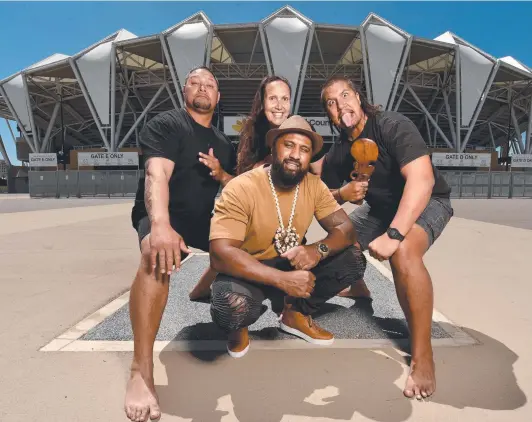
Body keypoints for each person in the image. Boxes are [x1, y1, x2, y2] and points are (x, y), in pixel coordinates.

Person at [313, 75, 453, 401]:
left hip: (427, 201)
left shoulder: (391, 124)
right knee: (338, 237)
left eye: (345, 95)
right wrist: (343, 192)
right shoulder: (340, 152)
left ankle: (422, 357)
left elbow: (422, 179)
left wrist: (393, 234)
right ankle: (356, 283)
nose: (341, 105)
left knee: (403, 254)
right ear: (330, 115)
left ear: (359, 98)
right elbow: (324, 197)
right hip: (380, 209)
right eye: (331, 103)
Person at [125, 66, 236, 422]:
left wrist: (223, 174)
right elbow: (157, 173)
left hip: (203, 222)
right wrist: (159, 224)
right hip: (164, 214)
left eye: (210, 84)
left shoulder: (223, 143)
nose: (203, 87)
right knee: (156, 258)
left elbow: (235, 187)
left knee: (251, 243)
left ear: (218, 98)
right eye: (196, 82)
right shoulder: (168, 124)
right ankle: (140, 371)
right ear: (184, 91)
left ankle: (204, 284)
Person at [208, 115, 367, 358]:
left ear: (309, 157)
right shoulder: (242, 187)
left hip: (289, 262)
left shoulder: (314, 185)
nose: (295, 154)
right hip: (249, 268)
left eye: (304, 149)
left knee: (354, 259)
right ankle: (239, 328)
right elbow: (220, 254)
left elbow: (346, 231)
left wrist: (317, 251)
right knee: (232, 307)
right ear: (273, 148)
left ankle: (295, 314)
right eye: (289, 145)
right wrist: (282, 280)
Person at [188, 75, 293, 301]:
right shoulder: (253, 134)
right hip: (253, 211)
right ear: (262, 102)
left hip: (285, 212)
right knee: (239, 245)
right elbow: (240, 185)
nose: (279, 105)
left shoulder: (296, 131)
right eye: (273, 98)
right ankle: (208, 288)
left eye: (285, 98)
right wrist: (220, 173)